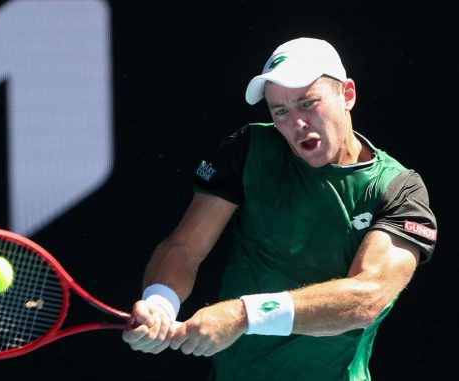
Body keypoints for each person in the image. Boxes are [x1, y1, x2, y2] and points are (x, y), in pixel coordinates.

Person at [122, 37, 437, 380]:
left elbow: (367, 298)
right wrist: (160, 303)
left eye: (308, 103)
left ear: (347, 94)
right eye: (281, 111)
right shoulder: (248, 150)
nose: (297, 123)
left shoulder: (399, 190)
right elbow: (185, 247)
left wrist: (243, 315)